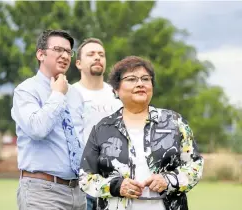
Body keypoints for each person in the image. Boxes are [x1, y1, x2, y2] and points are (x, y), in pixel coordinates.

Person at [79, 56, 204, 210]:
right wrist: (115, 186)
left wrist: (169, 180)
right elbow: (86, 178)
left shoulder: (174, 122)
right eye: (131, 79)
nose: (140, 83)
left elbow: (195, 166)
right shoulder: (102, 128)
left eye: (145, 79)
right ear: (116, 90)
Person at [11, 29, 86, 210]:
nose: (64, 56)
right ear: (40, 54)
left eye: (68, 51)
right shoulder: (26, 91)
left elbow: (80, 139)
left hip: (78, 192)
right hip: (42, 191)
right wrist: (58, 95)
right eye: (58, 49)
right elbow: (37, 129)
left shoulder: (75, 93)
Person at [73, 38, 122, 210]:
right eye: (91, 54)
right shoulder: (70, 94)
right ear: (78, 63)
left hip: (113, 180)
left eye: (101, 54)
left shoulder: (117, 94)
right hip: (80, 180)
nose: (97, 57)